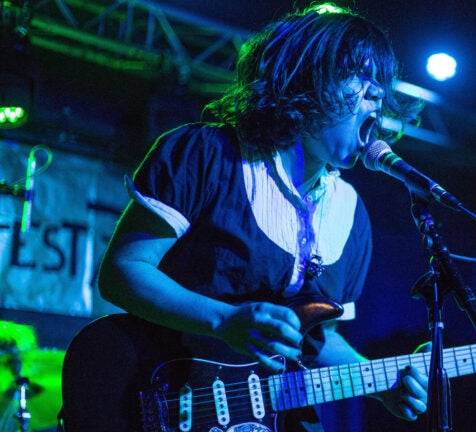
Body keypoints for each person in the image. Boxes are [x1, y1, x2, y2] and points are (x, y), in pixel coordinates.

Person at [80, 3, 427, 431]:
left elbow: (318, 340)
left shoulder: (351, 213)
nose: (377, 96)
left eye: (382, 84)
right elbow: (122, 271)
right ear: (307, 79)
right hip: (166, 395)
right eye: (360, 76)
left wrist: (381, 383)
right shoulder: (209, 154)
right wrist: (224, 320)